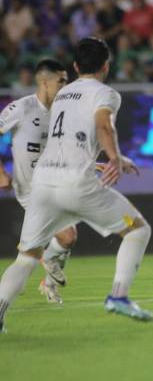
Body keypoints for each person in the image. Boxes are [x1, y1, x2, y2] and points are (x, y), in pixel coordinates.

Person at [0, 37, 153, 333]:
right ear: (106, 65)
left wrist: (113, 157)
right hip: (76, 182)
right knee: (137, 229)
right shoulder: (106, 94)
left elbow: (70, 138)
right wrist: (113, 157)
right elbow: (102, 125)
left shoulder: (62, 94)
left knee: (26, 257)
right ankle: (118, 296)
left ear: (75, 66)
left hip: (42, 183)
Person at [0, 60, 76, 304]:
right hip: (30, 188)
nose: (66, 85)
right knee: (64, 236)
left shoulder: (63, 112)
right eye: (61, 80)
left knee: (66, 238)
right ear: (45, 82)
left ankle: (47, 280)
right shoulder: (20, 109)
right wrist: (1, 173)